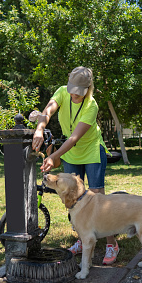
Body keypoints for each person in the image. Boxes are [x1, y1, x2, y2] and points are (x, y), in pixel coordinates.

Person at [31, 66, 119, 265]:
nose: (73, 95)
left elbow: (73, 138)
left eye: (78, 92)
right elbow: (48, 111)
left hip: (91, 150)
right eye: (72, 90)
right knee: (73, 199)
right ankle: (82, 239)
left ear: (87, 89)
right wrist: (39, 128)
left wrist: (54, 157)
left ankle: (111, 243)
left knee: (98, 198)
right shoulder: (62, 92)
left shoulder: (91, 105)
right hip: (71, 153)